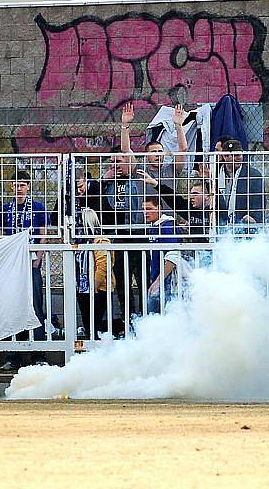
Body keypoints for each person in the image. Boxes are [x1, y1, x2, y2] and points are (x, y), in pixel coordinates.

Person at [0, 170, 50, 368]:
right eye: (15, 185)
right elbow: (2, 235)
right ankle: (13, 355)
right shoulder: (5, 209)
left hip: (31, 262)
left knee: (36, 306)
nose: (18, 189)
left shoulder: (38, 208)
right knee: (12, 307)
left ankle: (39, 354)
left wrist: (39, 258)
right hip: (12, 266)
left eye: (22, 185)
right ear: (11, 187)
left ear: (28, 187)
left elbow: (43, 235)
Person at [89, 148, 146, 323]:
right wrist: (103, 180)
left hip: (137, 233)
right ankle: (127, 317)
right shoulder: (105, 183)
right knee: (121, 281)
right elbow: (91, 201)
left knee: (142, 279)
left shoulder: (134, 176)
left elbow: (129, 153)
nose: (115, 166)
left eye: (119, 161)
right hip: (116, 235)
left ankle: (145, 318)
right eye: (112, 162)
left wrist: (124, 126)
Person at [120, 102, 188, 210]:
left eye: (160, 151)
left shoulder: (172, 168)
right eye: (154, 152)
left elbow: (183, 149)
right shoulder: (139, 170)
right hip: (143, 221)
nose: (158, 155)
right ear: (146, 156)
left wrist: (179, 126)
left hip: (168, 221)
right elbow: (125, 150)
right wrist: (125, 125)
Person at [75, 208, 117, 338]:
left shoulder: (100, 240)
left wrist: (94, 286)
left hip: (98, 289)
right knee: (88, 324)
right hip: (83, 289)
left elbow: (103, 265)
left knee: (95, 324)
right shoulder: (80, 242)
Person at [141, 196, 182, 313]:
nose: (145, 212)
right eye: (144, 209)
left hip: (167, 283)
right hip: (158, 281)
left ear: (159, 208)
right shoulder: (155, 226)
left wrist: (158, 281)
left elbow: (173, 256)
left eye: (149, 208)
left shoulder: (167, 226)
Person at [219, 139, 265, 232]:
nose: (234, 158)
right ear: (224, 156)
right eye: (229, 155)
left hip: (244, 225)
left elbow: (259, 200)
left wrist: (254, 218)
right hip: (220, 224)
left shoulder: (253, 175)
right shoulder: (215, 174)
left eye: (237, 155)